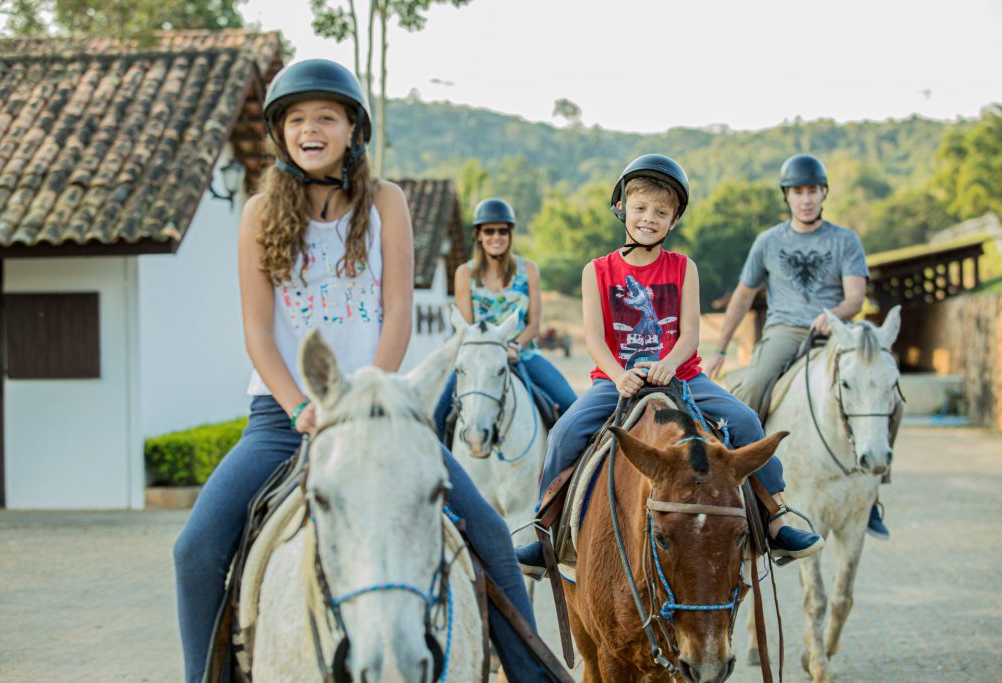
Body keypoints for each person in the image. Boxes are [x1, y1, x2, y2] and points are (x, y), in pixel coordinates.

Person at [172, 59, 552, 682]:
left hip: (380, 409)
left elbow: (397, 311)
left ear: (353, 130)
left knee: (487, 532)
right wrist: (301, 407)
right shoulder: (258, 214)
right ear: (280, 134)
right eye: (296, 119)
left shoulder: (386, 203)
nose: (310, 129)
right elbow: (258, 333)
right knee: (195, 549)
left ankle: (532, 674)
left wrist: (368, 398)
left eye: (327, 116)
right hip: (285, 416)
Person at [515, 154, 825, 575]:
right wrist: (618, 374)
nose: (649, 219)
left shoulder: (683, 268)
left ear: (674, 220)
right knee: (565, 434)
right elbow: (594, 338)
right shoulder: (597, 270)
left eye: (661, 212)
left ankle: (776, 521)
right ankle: (544, 532)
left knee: (747, 420)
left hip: (683, 377)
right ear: (622, 207)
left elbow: (690, 336)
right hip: (618, 379)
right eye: (640, 208)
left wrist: (669, 364)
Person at [701, 153, 891, 539]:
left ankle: (872, 493)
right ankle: (733, 482)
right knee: (750, 389)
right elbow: (742, 296)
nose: (806, 199)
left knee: (888, 390)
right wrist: (720, 348)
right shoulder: (768, 242)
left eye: (813, 191)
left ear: (824, 194)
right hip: (785, 330)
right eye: (798, 192)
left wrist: (833, 314)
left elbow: (856, 297)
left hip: (837, 331)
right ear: (787, 196)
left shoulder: (845, 240)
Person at [433, 198, 577, 439]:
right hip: (479, 357)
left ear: (510, 234)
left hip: (521, 353)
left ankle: (565, 473)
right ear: (478, 235)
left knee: (570, 405)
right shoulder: (464, 274)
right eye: (489, 230)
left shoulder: (528, 269)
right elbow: (467, 328)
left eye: (502, 230)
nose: (496, 236)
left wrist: (514, 346)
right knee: (437, 415)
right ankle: (443, 472)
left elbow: (534, 324)